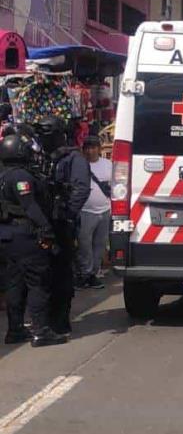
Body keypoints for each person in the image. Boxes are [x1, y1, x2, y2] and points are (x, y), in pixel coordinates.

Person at [1, 132, 67, 347]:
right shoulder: (21, 177)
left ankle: (15, 329)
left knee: (14, 284)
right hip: (25, 234)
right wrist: (47, 230)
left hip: (7, 235)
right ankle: (40, 330)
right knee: (38, 282)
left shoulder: (3, 175)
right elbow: (30, 207)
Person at [34, 117, 90, 336]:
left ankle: (60, 321)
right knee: (41, 274)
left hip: (62, 224)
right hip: (42, 223)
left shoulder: (73, 158)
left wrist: (66, 215)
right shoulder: (42, 158)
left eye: (47, 133)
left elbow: (81, 189)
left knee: (62, 274)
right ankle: (43, 320)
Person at [76, 135, 110, 290]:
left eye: (93, 147)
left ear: (99, 149)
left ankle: (93, 274)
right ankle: (85, 274)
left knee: (100, 244)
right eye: (87, 148)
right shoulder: (79, 165)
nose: (90, 151)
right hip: (85, 211)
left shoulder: (108, 164)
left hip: (105, 210)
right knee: (84, 245)